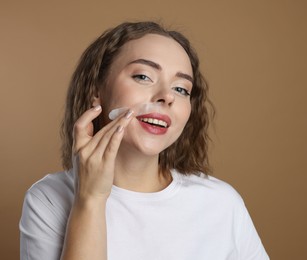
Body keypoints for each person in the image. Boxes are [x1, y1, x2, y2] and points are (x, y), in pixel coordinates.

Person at [19, 21, 269, 260]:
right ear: (97, 91)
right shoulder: (49, 199)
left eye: (181, 89)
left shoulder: (222, 204)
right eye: (143, 77)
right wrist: (91, 199)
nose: (166, 97)